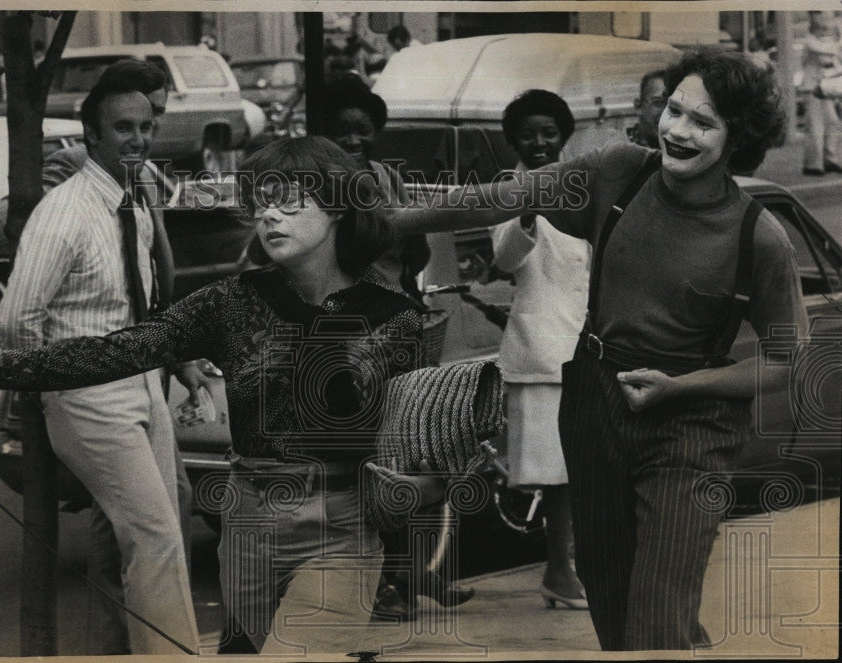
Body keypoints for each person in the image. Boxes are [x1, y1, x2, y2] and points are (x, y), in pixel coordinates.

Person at [0, 136, 446, 655]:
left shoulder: (392, 318)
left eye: (291, 201)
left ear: (338, 209)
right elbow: (112, 352)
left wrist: (415, 483)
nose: (270, 214)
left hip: (341, 529)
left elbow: (436, 454)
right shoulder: (232, 301)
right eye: (261, 201)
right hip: (247, 523)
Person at [386, 48, 806, 650]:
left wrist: (682, 386)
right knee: (611, 602)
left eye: (703, 122)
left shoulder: (759, 237)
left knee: (658, 616)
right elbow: (500, 197)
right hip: (595, 402)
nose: (678, 131)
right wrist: (390, 221)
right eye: (675, 111)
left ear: (739, 138)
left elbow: (785, 360)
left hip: (692, 425)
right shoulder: (618, 173)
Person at [4, 74, 199, 654]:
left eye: (145, 127)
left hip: (141, 381)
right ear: (91, 135)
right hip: (89, 392)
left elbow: (144, 294)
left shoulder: (134, 195)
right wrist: (56, 387)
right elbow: (17, 320)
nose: (137, 139)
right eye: (122, 128)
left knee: (165, 531)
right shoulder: (63, 212)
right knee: (155, 537)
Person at [321, 75, 471, 622]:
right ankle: (384, 582)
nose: (356, 142)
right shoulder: (318, 187)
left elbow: (420, 251)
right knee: (367, 467)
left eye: (364, 132)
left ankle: (411, 572)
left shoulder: (389, 178)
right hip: (348, 343)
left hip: (400, 331)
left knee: (410, 456)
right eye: (344, 134)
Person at [488, 90, 588, 610]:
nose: (540, 141)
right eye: (528, 133)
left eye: (549, 131)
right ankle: (558, 570)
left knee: (588, 469)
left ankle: (576, 567)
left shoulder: (585, 183)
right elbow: (505, 259)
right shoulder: (506, 188)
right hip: (542, 348)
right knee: (558, 477)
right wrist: (527, 210)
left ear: (564, 133)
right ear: (513, 140)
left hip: (590, 344)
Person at [800, 11, 842, 175]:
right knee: (815, 126)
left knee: (833, 123)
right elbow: (827, 50)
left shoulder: (831, 43)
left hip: (826, 88)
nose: (825, 30)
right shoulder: (810, 41)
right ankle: (813, 164)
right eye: (822, 27)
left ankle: (829, 159)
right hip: (813, 87)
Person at [631, 69, 666, 149]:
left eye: (673, 105)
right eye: (658, 102)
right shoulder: (621, 154)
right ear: (638, 106)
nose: (666, 112)